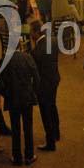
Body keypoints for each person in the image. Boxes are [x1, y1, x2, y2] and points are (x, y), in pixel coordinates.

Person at [0, 49, 40, 165]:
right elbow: (37, 78)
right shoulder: (27, 57)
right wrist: (32, 92)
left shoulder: (5, 59)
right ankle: (29, 156)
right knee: (28, 127)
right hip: (27, 98)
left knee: (15, 129)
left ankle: (17, 157)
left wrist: (7, 94)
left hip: (13, 99)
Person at [29, 20, 60, 151]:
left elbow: (33, 67)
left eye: (31, 32)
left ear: (36, 32)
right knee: (52, 106)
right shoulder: (52, 40)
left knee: (45, 112)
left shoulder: (37, 50)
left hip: (43, 85)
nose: (30, 34)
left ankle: (50, 142)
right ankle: (56, 133)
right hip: (54, 79)